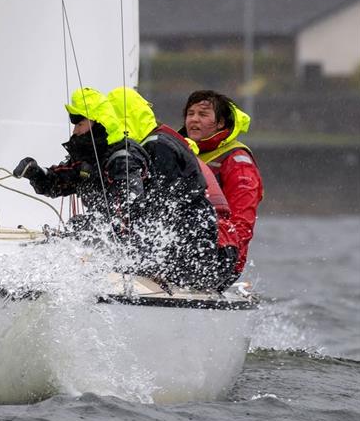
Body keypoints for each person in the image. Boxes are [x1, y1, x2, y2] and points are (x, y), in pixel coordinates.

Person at [14, 86, 223, 290]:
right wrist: (36, 173)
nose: (75, 131)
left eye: (79, 124)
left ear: (100, 121)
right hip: (149, 242)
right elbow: (60, 181)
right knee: (83, 228)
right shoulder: (92, 159)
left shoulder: (130, 155)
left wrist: (84, 233)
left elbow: (135, 211)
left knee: (86, 226)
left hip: (183, 251)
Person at [181, 90, 263, 282]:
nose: (194, 120)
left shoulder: (238, 162)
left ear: (220, 123)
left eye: (202, 114)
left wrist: (228, 265)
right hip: (187, 250)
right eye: (190, 114)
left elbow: (242, 221)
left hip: (218, 259)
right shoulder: (182, 151)